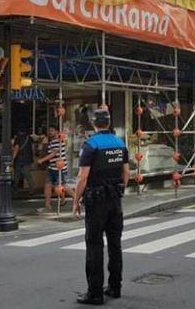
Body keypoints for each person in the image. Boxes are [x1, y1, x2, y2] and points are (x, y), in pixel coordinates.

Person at [73, 109, 130, 305]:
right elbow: (126, 173)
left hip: (96, 201)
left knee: (95, 245)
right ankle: (115, 287)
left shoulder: (91, 145)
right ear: (109, 122)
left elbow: (83, 177)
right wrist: (119, 189)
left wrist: (75, 201)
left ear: (94, 124)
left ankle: (95, 292)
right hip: (115, 199)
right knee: (115, 244)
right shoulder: (119, 143)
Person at [38, 125, 74, 212]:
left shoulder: (57, 141)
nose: (50, 132)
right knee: (48, 185)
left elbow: (53, 153)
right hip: (52, 167)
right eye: (49, 131)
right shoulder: (53, 141)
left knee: (62, 185)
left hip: (59, 167)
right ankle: (48, 205)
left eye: (52, 131)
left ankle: (77, 198)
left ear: (57, 131)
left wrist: (42, 160)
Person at [11, 129, 38, 195]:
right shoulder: (29, 137)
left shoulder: (18, 138)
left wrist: (12, 158)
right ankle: (32, 189)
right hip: (28, 159)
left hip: (20, 159)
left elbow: (16, 148)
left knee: (16, 175)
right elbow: (33, 147)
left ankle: (15, 189)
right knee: (28, 175)